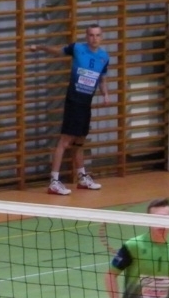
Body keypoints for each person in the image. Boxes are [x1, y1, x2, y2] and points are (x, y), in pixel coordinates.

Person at [29, 24, 111, 195]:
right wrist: (41, 47)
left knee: (80, 141)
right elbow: (57, 51)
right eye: (91, 35)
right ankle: (54, 181)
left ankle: (82, 177)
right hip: (74, 101)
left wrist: (105, 94)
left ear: (101, 37)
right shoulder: (77, 48)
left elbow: (102, 79)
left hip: (86, 103)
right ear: (86, 36)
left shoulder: (104, 57)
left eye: (97, 35)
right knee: (65, 142)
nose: (94, 38)